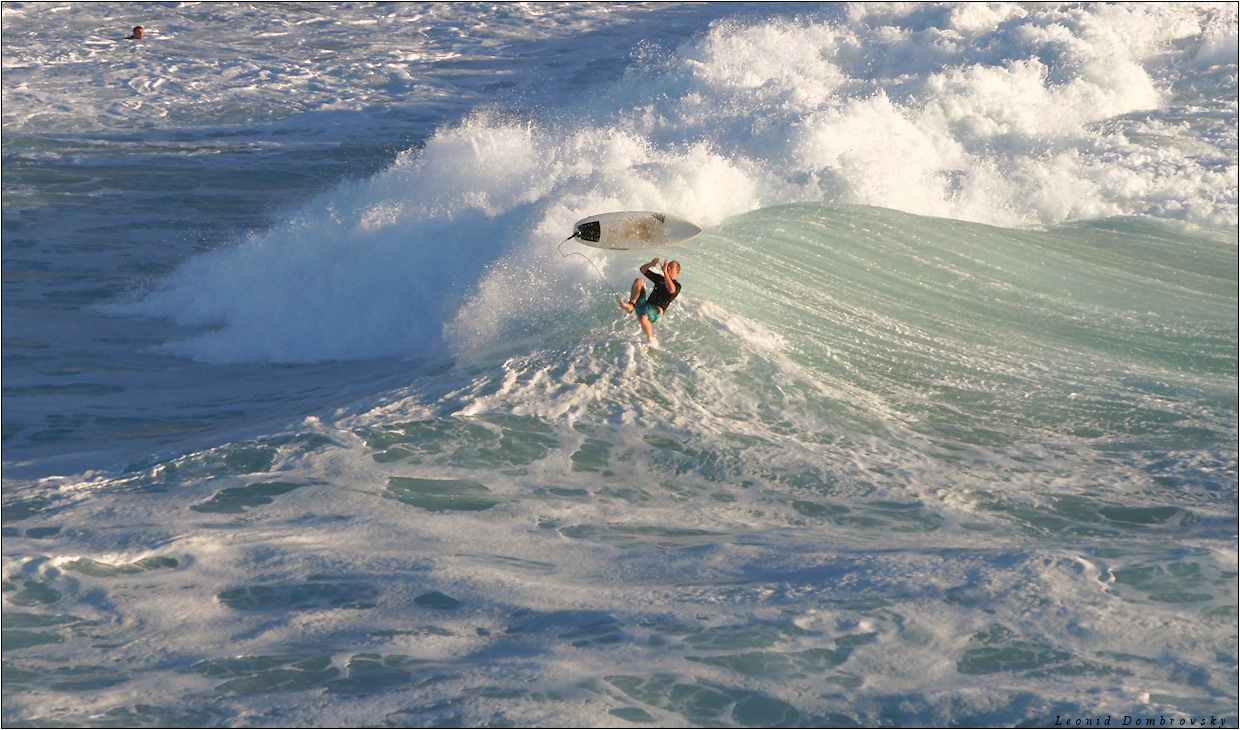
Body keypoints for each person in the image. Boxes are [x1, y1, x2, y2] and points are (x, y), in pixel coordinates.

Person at [619, 257, 681, 344]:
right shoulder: (660, 279)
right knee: (639, 281)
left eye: (671, 267)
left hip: (655, 311)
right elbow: (642, 270)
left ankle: (651, 339)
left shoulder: (677, 285)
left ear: (677, 272)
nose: (668, 268)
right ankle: (631, 305)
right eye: (668, 266)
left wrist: (665, 273)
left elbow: (671, 290)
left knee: (642, 317)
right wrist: (651, 264)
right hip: (645, 305)